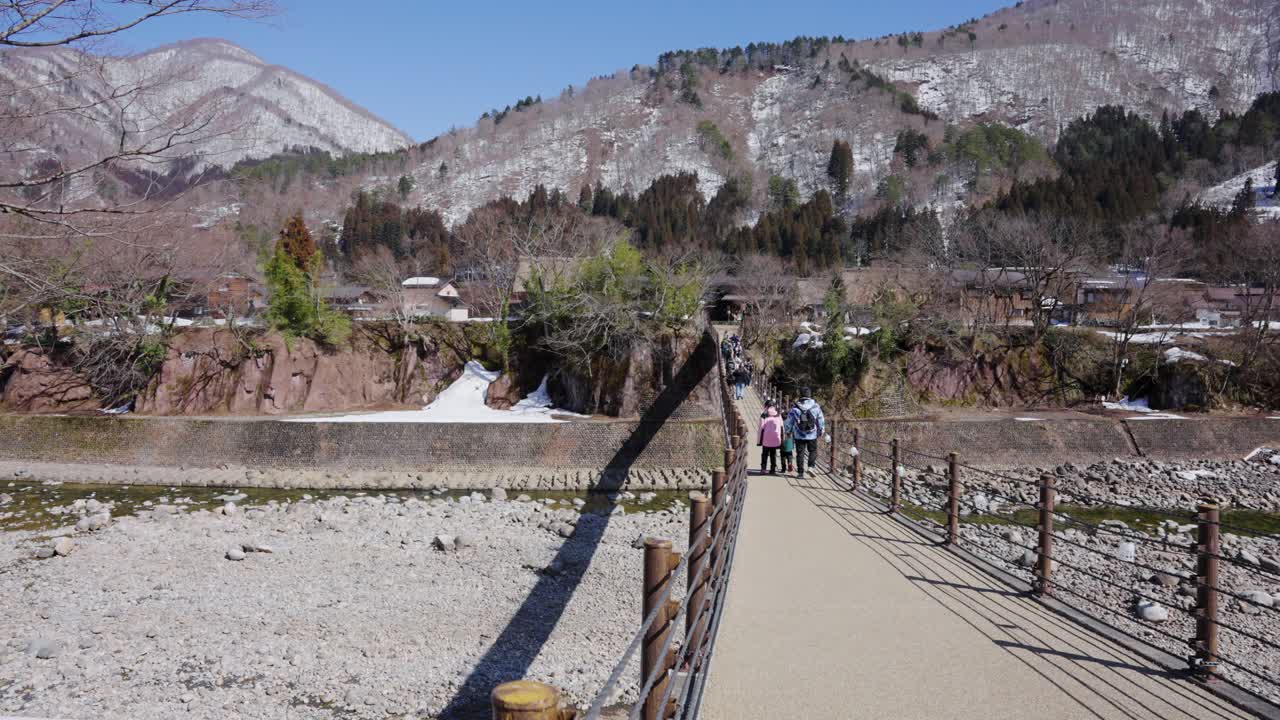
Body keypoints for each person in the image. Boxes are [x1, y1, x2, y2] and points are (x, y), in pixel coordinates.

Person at [784, 387, 825, 478]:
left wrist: (788, 431)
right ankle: (811, 467)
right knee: (813, 451)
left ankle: (800, 473)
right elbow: (820, 419)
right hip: (812, 434)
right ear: (809, 395)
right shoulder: (815, 406)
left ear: (801, 395)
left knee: (800, 454)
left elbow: (789, 421)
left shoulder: (795, 408)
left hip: (799, 434)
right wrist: (821, 430)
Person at [757, 400, 783, 474]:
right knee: (773, 454)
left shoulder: (764, 415)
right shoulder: (778, 415)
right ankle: (772, 469)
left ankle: (763, 468)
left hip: (766, 438)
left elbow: (761, 428)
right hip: (776, 437)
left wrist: (759, 441)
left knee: (764, 454)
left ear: (766, 406)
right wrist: (782, 439)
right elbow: (781, 427)